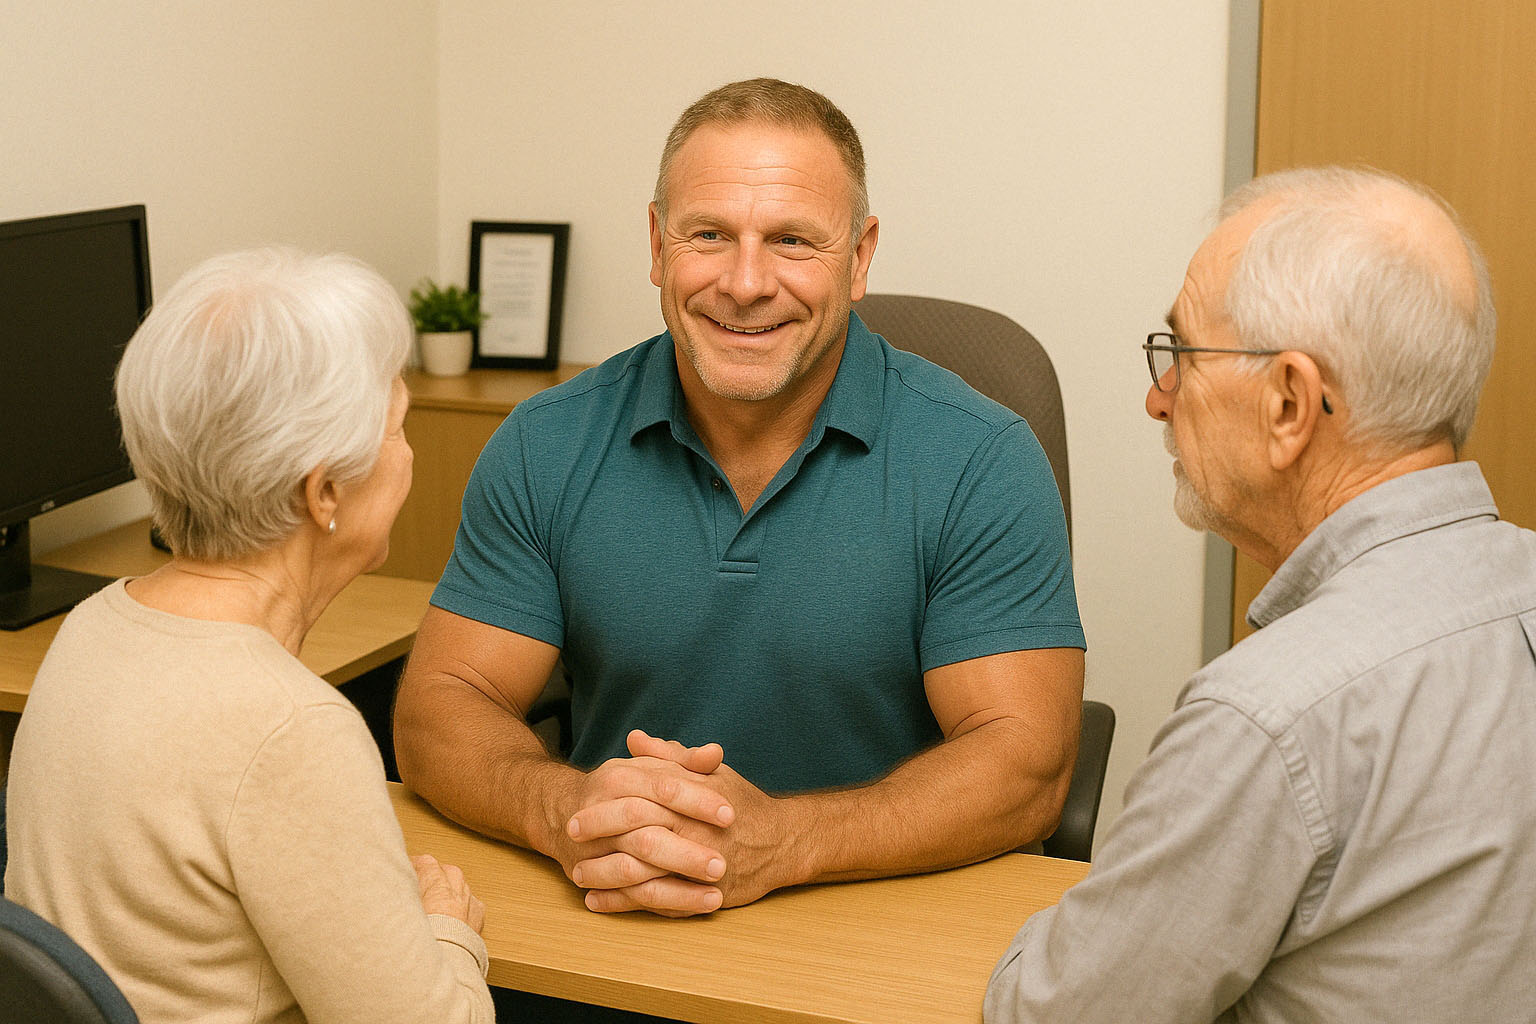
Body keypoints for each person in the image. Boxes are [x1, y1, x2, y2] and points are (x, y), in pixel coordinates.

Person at [394, 78, 1086, 919]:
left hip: (879, 928)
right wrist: (566, 809)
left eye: (792, 239)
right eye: (709, 234)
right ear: (656, 244)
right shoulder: (547, 442)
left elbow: (1027, 767)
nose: (746, 282)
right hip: (614, 914)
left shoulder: (982, 458)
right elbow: (441, 707)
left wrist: (786, 841)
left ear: (860, 257)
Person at [986, 166, 1536, 1022]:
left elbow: (1052, 1013)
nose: (1156, 399)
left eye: (1182, 356)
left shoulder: (1270, 717)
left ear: (1288, 403)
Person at [4, 249, 494, 1023]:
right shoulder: (293, 731)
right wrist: (447, 932)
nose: (408, 455)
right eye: (398, 428)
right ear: (325, 489)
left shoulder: (91, 625)